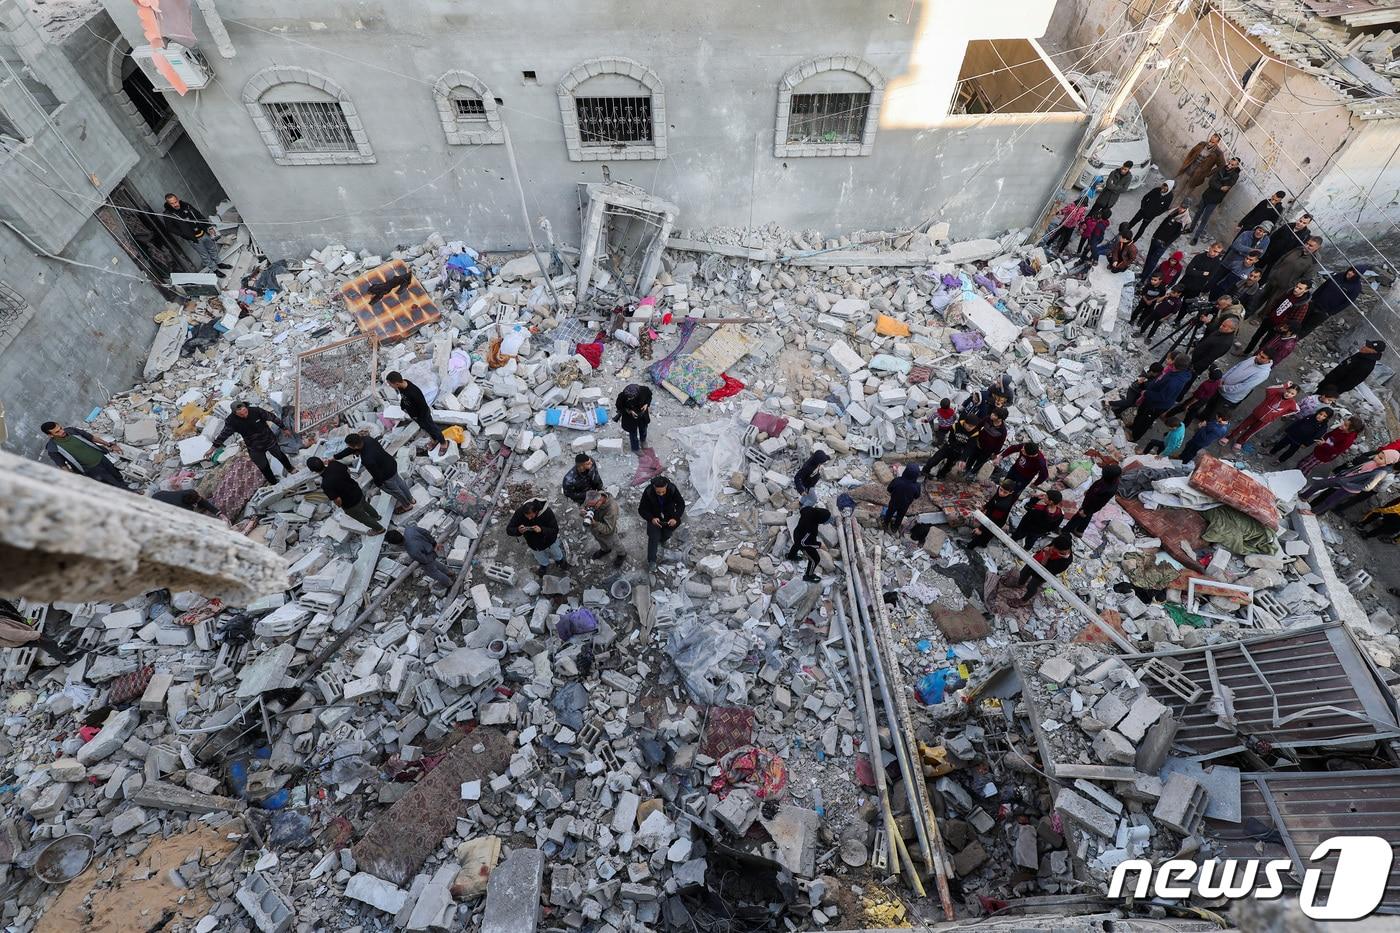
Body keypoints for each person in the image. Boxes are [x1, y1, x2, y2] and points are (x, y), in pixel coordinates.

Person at [213, 401, 296, 487]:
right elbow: (224, 434)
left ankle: (290, 469)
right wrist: (213, 447)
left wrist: (284, 428)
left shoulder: (256, 411)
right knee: (263, 466)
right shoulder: (232, 421)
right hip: (254, 447)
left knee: (280, 455)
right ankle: (274, 483)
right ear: (235, 413)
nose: (244, 414)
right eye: (241, 413)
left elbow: (272, 418)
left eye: (245, 410)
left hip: (268, 440)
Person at [335, 432, 415, 512]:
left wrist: (379, 484)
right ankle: (411, 499)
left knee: (396, 491)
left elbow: (376, 474)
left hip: (386, 474)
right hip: (391, 463)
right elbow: (350, 450)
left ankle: (407, 506)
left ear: (355, 446)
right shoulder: (367, 439)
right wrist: (336, 457)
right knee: (400, 482)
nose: (348, 447)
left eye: (349, 445)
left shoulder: (367, 459)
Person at [1300, 449, 1400, 514]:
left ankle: (1313, 512)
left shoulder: (1381, 472)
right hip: (1344, 478)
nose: (1376, 457)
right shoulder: (1374, 462)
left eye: (1381, 458)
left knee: (1330, 500)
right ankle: (1304, 497)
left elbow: (1368, 487)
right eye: (1378, 455)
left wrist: (1350, 485)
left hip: (1349, 487)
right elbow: (1358, 469)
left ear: (1388, 462)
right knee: (1320, 484)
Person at [306, 457, 385, 534]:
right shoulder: (334, 464)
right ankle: (377, 517)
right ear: (322, 461)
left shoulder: (325, 484)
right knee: (365, 505)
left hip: (350, 504)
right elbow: (348, 470)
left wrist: (340, 506)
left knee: (363, 518)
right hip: (357, 491)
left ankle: (379, 529)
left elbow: (338, 500)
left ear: (313, 471)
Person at [41, 422, 129, 489]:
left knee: (116, 475)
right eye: (57, 432)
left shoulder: (72, 431)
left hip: (101, 458)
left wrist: (109, 445)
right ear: (50, 435)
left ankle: (125, 486)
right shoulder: (52, 448)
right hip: (92, 469)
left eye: (61, 428)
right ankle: (131, 493)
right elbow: (62, 465)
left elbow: (91, 437)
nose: (62, 431)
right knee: (112, 482)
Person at [1130, 354, 1193, 441]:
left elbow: (1162, 397)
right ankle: (1134, 426)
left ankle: (1135, 436)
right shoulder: (1177, 373)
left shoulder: (1174, 382)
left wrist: (1146, 393)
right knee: (1141, 413)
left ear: (1175, 363)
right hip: (1152, 399)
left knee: (1145, 421)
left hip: (1156, 405)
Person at [1242, 280, 1310, 357]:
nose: (1296, 289)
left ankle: (1255, 358)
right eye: (1296, 286)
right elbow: (1276, 302)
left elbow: (1295, 321)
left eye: (1300, 288)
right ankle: (1246, 352)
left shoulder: (1303, 305)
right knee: (1256, 336)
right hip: (1269, 319)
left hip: (1279, 327)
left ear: (1306, 290)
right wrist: (1268, 314)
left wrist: (1283, 328)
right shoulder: (1288, 292)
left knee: (1265, 344)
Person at [162, 193, 225, 275]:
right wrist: (184, 234)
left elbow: (198, 215)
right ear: (168, 204)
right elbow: (170, 228)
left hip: (203, 232)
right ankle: (214, 269)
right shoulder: (168, 214)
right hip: (193, 238)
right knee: (204, 255)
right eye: (172, 203)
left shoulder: (186, 205)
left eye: (175, 202)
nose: (175, 204)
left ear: (178, 199)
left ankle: (219, 263)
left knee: (212, 248)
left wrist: (208, 227)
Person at [386, 372, 448, 454]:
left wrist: (418, 417)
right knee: (425, 428)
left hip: (422, 415)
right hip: (415, 415)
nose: (390, 386)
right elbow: (404, 397)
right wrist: (403, 406)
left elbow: (422, 407)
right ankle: (434, 439)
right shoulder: (402, 385)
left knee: (432, 428)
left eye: (390, 384)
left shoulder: (413, 393)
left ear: (397, 384)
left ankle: (443, 443)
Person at [0, 599, 77, 665]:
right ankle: (65, 660)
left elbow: (11, 612)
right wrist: (35, 635)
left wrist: (24, 622)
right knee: (48, 643)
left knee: (48, 642)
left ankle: (59, 652)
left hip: (20, 631)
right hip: (19, 640)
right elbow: (15, 635)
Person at [1256, 236, 1322, 313]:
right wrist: (1273, 272)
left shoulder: (1315, 262)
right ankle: (1249, 311)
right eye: (1306, 243)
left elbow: (1305, 279)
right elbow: (1282, 258)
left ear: (1317, 248)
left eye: (1310, 246)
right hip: (1274, 278)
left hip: (1285, 287)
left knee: (1271, 303)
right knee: (1260, 296)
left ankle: (1260, 317)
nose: (1306, 246)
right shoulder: (1298, 249)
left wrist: (1290, 284)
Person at [1226, 382, 1298, 449]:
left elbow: (1296, 410)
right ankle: (1229, 437)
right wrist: (1283, 385)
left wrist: (1282, 414)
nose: (1288, 394)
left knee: (1251, 431)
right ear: (1286, 389)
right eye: (1288, 391)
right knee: (1242, 426)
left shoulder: (1292, 403)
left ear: (1295, 395)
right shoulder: (1276, 393)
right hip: (1256, 414)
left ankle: (1240, 442)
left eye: (1292, 394)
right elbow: (1269, 388)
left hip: (1266, 421)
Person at [1189, 157, 1242, 244]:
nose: (1229, 165)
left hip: (1215, 200)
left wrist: (1218, 184)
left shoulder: (1235, 176)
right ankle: (1191, 228)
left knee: (1204, 218)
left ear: (1236, 166)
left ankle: (1196, 237)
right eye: (1229, 163)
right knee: (1198, 213)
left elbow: (1227, 186)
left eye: (1232, 165)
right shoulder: (1222, 168)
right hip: (1207, 195)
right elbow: (1211, 182)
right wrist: (1220, 187)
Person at [1299, 266, 1363, 339]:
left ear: (1358, 275)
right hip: (1314, 303)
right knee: (1299, 318)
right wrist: (1312, 298)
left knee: (1307, 327)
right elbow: (1324, 286)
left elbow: (1346, 303)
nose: (1350, 273)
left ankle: (1293, 341)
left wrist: (1330, 313)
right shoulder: (1339, 275)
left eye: (1354, 273)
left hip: (1324, 311)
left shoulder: (1356, 288)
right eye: (1350, 270)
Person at [507, 498, 567, 573]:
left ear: (537, 512)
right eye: (527, 516)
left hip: (549, 541)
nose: (529, 518)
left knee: (556, 553)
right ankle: (544, 565)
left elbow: (555, 530)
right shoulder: (520, 512)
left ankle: (560, 561)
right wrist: (518, 531)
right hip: (533, 543)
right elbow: (509, 529)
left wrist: (542, 530)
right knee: (540, 557)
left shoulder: (547, 512)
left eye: (531, 516)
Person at [384, 526, 454, 589]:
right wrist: (434, 543)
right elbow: (425, 532)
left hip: (428, 555)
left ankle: (448, 583)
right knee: (435, 563)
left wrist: (432, 556)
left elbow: (425, 560)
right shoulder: (409, 530)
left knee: (433, 572)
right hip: (431, 547)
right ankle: (449, 572)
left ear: (397, 544)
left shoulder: (412, 551)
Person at [1013, 534, 1075, 604]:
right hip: (1036, 560)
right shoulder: (1060, 542)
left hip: (1042, 573)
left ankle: (1024, 600)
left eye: (1055, 548)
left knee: (1032, 586)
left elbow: (1043, 571)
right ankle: (1020, 583)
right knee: (1024, 573)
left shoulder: (1064, 562)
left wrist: (1047, 556)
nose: (1052, 548)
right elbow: (1067, 535)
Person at [639, 476, 685, 570]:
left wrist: (675, 518)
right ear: (654, 488)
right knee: (653, 538)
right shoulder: (648, 491)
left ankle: (662, 540)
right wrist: (651, 518)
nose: (661, 494)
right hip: (655, 518)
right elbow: (641, 509)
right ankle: (651, 560)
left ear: (666, 486)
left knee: (667, 534)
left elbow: (681, 504)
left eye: (663, 492)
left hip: (669, 518)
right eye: (658, 492)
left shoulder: (672, 489)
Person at [1064, 464, 1121, 537]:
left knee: (1079, 517)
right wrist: (1089, 491)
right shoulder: (1110, 481)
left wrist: (1085, 510)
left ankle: (1065, 531)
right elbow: (1097, 485)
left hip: (1090, 505)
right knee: (1087, 516)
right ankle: (1080, 530)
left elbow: (1095, 502)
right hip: (1091, 503)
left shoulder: (1107, 489)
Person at [968, 479, 1022, 549]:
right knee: (987, 534)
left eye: (1005, 492)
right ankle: (983, 543)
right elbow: (992, 500)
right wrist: (984, 507)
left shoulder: (1004, 504)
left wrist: (981, 529)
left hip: (996, 521)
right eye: (1001, 489)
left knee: (985, 533)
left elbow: (993, 519)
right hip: (991, 514)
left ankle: (971, 546)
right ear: (999, 486)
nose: (1001, 493)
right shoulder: (999, 492)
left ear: (1011, 492)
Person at [923, 412, 980, 479]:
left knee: (949, 465)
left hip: (959, 452)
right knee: (935, 459)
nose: (970, 428)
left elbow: (969, 447)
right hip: (949, 447)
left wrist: (963, 459)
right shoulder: (956, 426)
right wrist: (953, 445)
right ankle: (925, 471)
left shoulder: (975, 433)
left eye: (973, 427)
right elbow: (950, 438)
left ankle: (940, 476)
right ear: (965, 422)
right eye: (969, 425)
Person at [1298, 416, 1363, 474]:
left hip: (1324, 455)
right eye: (1344, 423)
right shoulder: (1341, 429)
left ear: (1352, 430)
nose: (1342, 425)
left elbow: (1336, 451)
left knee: (1305, 466)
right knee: (1306, 461)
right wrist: (1322, 440)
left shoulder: (1348, 440)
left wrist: (1324, 444)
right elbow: (1330, 434)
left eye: (1345, 425)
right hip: (1320, 448)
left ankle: (1297, 477)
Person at [1319, 341, 1386, 396]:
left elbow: (1351, 382)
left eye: (1368, 347)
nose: (1364, 346)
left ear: (1373, 352)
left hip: (1333, 388)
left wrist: (1334, 391)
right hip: (1330, 379)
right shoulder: (1361, 354)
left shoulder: (1366, 366)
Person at [786, 505, 832, 583]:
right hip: (803, 540)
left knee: (796, 544)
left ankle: (791, 556)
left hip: (797, 532)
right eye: (825, 521)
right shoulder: (812, 527)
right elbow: (804, 543)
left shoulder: (809, 509)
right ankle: (808, 575)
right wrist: (819, 545)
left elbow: (802, 510)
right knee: (815, 559)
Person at [1141, 207, 1189, 281]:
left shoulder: (1185, 220)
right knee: (1149, 257)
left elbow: (1176, 235)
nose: (1181, 209)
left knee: (1153, 261)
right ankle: (1142, 274)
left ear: (1186, 209)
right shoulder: (1173, 212)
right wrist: (1155, 235)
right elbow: (1162, 224)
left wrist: (1166, 244)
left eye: (1183, 208)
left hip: (1163, 243)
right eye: (1181, 207)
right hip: (1156, 238)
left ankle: (1144, 278)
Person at [1269, 407, 1333, 462]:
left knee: (1290, 452)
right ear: (1318, 412)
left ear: (1327, 418)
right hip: (1291, 435)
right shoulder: (1310, 416)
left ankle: (1280, 460)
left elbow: (1316, 437)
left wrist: (1306, 444)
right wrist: (1288, 429)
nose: (1320, 416)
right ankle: (1271, 452)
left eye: (1324, 416)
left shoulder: (1323, 427)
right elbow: (1298, 423)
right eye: (1320, 414)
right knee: (1280, 444)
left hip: (1299, 441)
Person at [581, 489, 624, 567]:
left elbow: (608, 529)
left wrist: (595, 524)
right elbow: (583, 506)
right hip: (596, 530)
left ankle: (622, 554)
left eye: (593, 506)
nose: (590, 509)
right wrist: (582, 512)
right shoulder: (592, 499)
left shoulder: (611, 509)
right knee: (600, 540)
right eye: (588, 506)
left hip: (609, 533)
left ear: (600, 501)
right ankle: (605, 550)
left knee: (616, 543)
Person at [965, 408, 1008, 477]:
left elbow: (999, 444)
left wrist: (995, 454)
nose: (992, 415)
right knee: (971, 458)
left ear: (1000, 419)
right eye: (993, 413)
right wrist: (975, 438)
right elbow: (978, 426)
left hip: (987, 451)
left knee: (979, 463)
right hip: (978, 443)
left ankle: (972, 474)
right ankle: (966, 470)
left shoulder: (1002, 431)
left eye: (995, 415)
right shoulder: (988, 419)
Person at [882, 464, 922, 533]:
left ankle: (885, 524)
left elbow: (889, 489)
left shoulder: (897, 480)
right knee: (900, 516)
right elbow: (916, 496)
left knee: (889, 512)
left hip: (894, 502)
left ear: (905, 471)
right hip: (905, 505)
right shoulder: (917, 486)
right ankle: (895, 528)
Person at [616, 384, 653, 452]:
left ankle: (643, 441)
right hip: (630, 417)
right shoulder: (622, 396)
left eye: (630, 398)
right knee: (633, 433)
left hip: (642, 414)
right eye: (628, 398)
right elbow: (619, 407)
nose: (628, 399)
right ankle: (635, 448)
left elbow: (649, 396)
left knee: (643, 428)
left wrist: (646, 404)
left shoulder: (644, 390)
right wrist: (629, 411)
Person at [151, 487, 221, 517]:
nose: (200, 497)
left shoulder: (190, 492)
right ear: (192, 504)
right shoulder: (185, 508)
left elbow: (201, 500)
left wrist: (218, 513)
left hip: (159, 495)